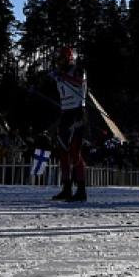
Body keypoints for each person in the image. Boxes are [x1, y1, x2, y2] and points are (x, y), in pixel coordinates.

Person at [48, 46, 88, 202]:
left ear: (69, 58)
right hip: (65, 113)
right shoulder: (61, 73)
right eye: (58, 59)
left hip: (77, 113)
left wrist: (62, 76)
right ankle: (66, 188)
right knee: (63, 152)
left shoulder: (78, 70)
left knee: (75, 152)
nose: (59, 62)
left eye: (61, 59)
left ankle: (81, 190)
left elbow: (79, 83)